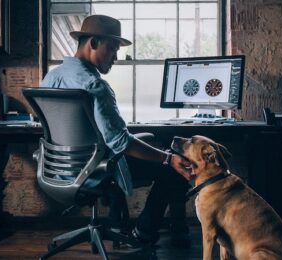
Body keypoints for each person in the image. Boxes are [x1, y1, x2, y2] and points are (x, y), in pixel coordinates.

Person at [41, 14, 192, 246]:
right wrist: (168, 159)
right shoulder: (95, 85)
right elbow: (121, 142)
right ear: (92, 43)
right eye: (112, 49)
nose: (116, 58)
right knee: (172, 166)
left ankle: (117, 223)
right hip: (93, 170)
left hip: (60, 169)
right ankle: (144, 233)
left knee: (151, 145)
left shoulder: (50, 79)